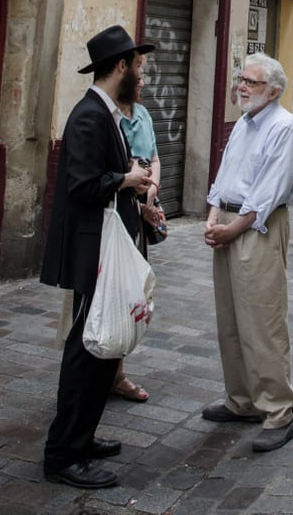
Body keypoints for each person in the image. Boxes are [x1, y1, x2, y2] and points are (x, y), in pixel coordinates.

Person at [41, 26, 156, 489]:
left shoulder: (109, 111)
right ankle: (63, 453)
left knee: (103, 348)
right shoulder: (89, 115)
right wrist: (127, 179)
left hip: (110, 244)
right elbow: (82, 185)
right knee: (86, 350)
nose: (144, 77)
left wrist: (135, 185)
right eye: (140, 68)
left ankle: (83, 437)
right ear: (121, 67)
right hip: (93, 249)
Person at [203, 53, 293, 453]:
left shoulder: (284, 128)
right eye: (241, 79)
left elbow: (268, 191)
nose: (242, 87)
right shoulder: (245, 123)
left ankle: (279, 410)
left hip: (257, 228)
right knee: (230, 319)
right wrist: (213, 213)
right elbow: (226, 172)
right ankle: (242, 399)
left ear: (274, 91)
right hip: (229, 223)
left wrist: (233, 228)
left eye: (252, 82)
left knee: (262, 321)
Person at [111, 57, 166, 403]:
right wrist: (135, 186)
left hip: (140, 210)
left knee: (132, 291)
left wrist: (152, 192)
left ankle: (116, 371)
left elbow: (155, 158)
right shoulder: (108, 117)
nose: (143, 80)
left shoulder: (143, 115)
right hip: (115, 212)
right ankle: (108, 370)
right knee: (112, 290)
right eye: (139, 73)